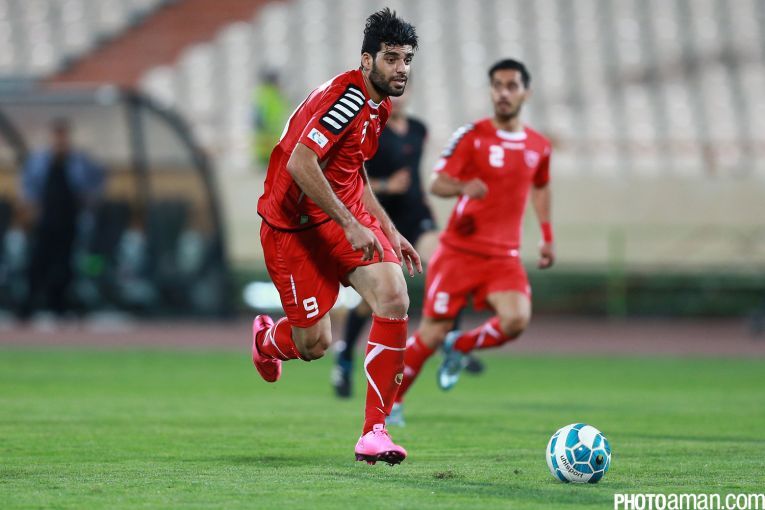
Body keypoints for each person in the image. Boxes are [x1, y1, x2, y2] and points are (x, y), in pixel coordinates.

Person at [251, 9, 421, 466]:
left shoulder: (379, 105)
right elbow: (300, 163)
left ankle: (374, 432)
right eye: (391, 58)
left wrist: (388, 228)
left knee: (393, 296)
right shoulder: (346, 98)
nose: (401, 68)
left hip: (340, 213)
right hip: (292, 227)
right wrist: (349, 223)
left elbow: (351, 168)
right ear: (367, 60)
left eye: (406, 59)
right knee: (314, 345)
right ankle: (267, 341)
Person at [389, 59, 555, 425]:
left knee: (516, 320)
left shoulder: (539, 146)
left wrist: (546, 236)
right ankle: (390, 405)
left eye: (512, 86)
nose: (504, 93)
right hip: (460, 252)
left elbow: (541, 186)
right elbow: (436, 183)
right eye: (497, 85)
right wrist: (464, 186)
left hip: (504, 257)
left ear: (526, 93)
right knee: (431, 332)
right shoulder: (472, 135)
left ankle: (460, 346)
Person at [330, 86, 435, 398]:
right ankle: (346, 354)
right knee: (374, 300)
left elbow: (415, 175)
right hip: (381, 217)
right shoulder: (372, 129)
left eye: (404, 89)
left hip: (416, 216)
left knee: (444, 261)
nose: (399, 97)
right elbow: (353, 179)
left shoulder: (418, 130)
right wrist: (388, 185)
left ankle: (453, 339)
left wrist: (422, 200)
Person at [18, 118, 105, 319]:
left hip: (69, 220)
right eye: (57, 135)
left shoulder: (79, 160)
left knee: (64, 264)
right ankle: (29, 304)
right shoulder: (39, 160)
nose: (60, 140)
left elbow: (97, 180)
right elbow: (27, 186)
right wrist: (30, 207)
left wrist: (90, 199)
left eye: (63, 136)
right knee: (37, 262)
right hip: (45, 220)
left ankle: (58, 305)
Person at [252, 70, 290, 169]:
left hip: (271, 138)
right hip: (268, 138)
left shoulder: (267, 94)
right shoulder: (268, 94)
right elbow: (258, 117)